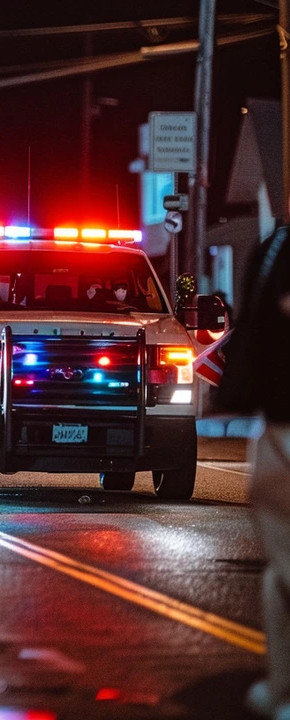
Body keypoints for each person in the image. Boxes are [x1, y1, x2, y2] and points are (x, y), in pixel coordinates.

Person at [216, 225, 290, 719]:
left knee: (284, 570)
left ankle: (283, 691)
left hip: (283, 423)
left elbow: (258, 330)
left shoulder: (277, 249)